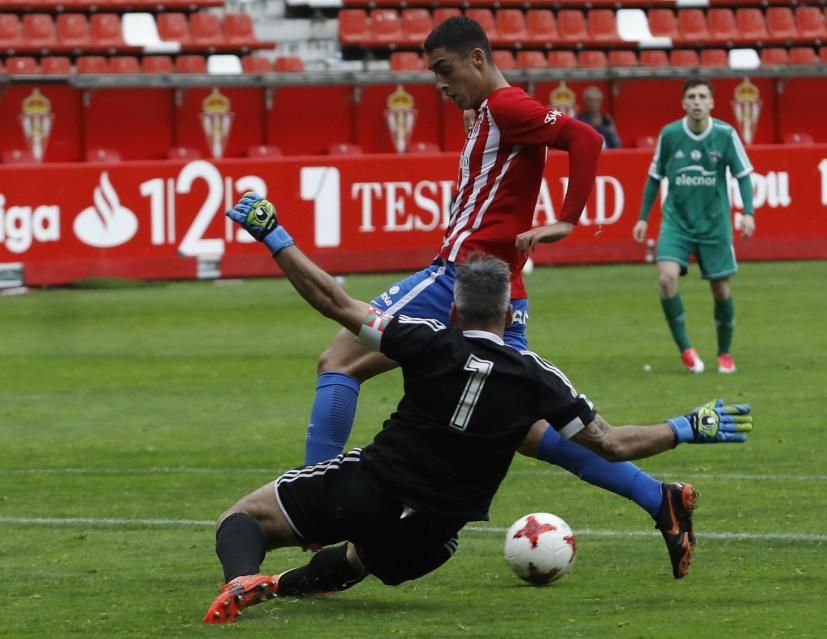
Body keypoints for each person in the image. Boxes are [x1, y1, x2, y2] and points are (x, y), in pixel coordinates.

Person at [203, 194, 754, 623]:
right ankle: (279, 587)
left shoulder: (426, 341)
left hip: (373, 486)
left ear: (455, 306)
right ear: (509, 309)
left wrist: (274, 235)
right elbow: (613, 442)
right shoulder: (538, 379)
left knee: (243, 518)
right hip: (431, 540)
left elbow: (334, 302)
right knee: (358, 561)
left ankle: (241, 578)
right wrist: (686, 426)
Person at [300, 16, 696, 566]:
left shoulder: (507, 107)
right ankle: (660, 498)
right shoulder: (483, 113)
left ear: (479, 60)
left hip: (460, 279)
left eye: (447, 70)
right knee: (524, 428)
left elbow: (584, 136)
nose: (441, 84)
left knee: (338, 363)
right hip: (498, 288)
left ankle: (317, 510)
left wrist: (566, 219)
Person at [631, 77, 757, 375]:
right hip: (676, 222)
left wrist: (748, 213)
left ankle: (724, 353)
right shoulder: (670, 134)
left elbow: (743, 175)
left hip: (714, 225)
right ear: (684, 103)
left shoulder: (725, 134)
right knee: (666, 279)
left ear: (712, 102)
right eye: (692, 97)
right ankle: (686, 349)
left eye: (703, 96)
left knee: (721, 290)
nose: (697, 102)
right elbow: (654, 177)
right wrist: (643, 217)